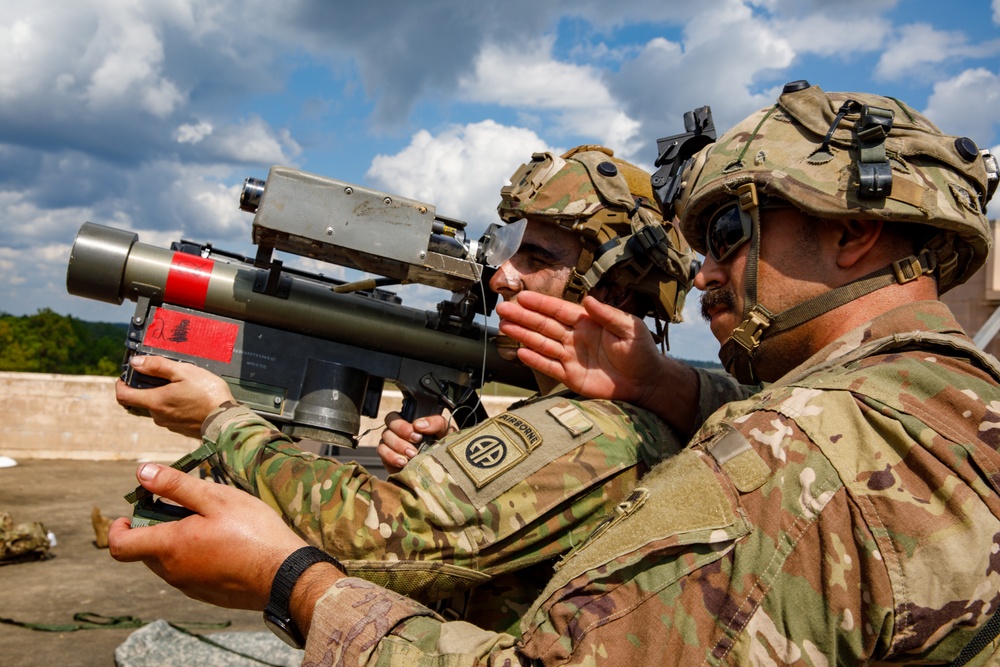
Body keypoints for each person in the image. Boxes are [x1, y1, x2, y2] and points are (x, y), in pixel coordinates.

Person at [111, 81, 1000, 664]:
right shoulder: (953, 402)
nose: (707, 270)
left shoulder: (782, 459)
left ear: (855, 233)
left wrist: (282, 566)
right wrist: (663, 384)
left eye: (733, 233)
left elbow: (402, 543)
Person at [112, 144, 707, 636]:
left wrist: (222, 419)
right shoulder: (606, 414)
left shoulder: (593, 429)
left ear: (617, 291)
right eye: (510, 247)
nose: (501, 275)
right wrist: (451, 459)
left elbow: (372, 535)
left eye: (537, 257)